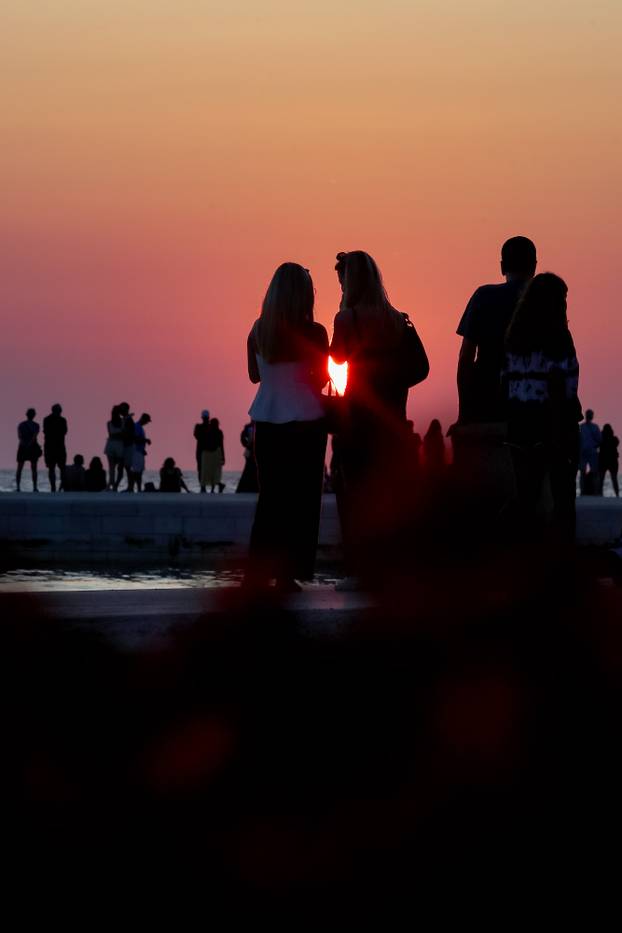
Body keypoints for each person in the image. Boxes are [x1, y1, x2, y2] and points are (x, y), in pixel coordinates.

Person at [330, 251, 429, 589]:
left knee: (354, 495)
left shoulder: (346, 320)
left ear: (351, 282)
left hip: (358, 420)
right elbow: (422, 368)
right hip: (393, 420)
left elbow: (338, 358)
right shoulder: (398, 319)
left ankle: (358, 571)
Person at [245, 262, 329, 592]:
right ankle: (288, 574)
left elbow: (254, 375)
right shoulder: (315, 332)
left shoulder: (258, 329)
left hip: (266, 418)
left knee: (270, 500)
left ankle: (256, 572)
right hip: (306, 420)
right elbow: (320, 378)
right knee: (302, 501)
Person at [503, 273, 581, 541]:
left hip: (520, 427)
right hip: (553, 425)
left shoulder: (514, 338)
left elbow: (506, 383)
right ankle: (561, 561)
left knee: (527, 498)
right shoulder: (558, 337)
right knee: (562, 500)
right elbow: (558, 384)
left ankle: (524, 562)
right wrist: (562, 432)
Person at [457, 237, 537, 424]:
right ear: (534, 267)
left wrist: (464, 414)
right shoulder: (547, 301)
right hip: (533, 404)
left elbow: (465, 358)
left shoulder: (484, 296)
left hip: (488, 400)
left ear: (502, 267)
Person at [42, 404, 68, 493]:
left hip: (51, 446)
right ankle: (58, 487)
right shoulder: (62, 420)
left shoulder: (47, 419)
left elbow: (45, 431)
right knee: (59, 468)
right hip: (58, 446)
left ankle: (55, 487)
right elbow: (65, 432)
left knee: (53, 468)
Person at [16, 408, 41, 492]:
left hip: (22, 447)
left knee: (19, 468)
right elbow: (34, 436)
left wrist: (24, 443)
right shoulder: (36, 425)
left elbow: (19, 436)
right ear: (34, 415)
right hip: (32, 447)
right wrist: (30, 444)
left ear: (26, 414)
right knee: (34, 468)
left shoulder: (21, 424)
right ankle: (34, 487)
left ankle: (18, 487)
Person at [200, 418, 226, 493]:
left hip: (214, 453)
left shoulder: (216, 432)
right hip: (209, 453)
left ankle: (211, 489)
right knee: (208, 472)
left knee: (212, 472)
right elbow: (221, 445)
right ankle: (209, 488)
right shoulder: (208, 431)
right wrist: (223, 457)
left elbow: (221, 444)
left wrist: (223, 457)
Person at [579, 409, 601, 495]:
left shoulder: (581, 427)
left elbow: (578, 440)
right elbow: (599, 440)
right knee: (595, 473)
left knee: (582, 473)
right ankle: (595, 491)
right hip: (592, 451)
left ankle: (582, 491)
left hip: (583, 452)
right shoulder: (595, 427)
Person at [129, 413, 151, 492]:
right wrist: (146, 440)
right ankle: (134, 488)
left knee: (139, 471)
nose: (147, 423)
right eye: (147, 421)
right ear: (143, 419)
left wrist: (143, 449)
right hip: (136, 452)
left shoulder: (140, 427)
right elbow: (135, 439)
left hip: (140, 451)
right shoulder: (137, 427)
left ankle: (137, 488)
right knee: (136, 472)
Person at [104, 405, 125, 490]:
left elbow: (111, 435)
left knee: (111, 467)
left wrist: (115, 435)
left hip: (110, 444)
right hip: (119, 445)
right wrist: (118, 434)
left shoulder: (109, 423)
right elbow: (122, 434)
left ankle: (110, 484)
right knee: (117, 467)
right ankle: (112, 484)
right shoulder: (122, 422)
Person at [236, 421, 259, 493]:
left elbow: (242, 438)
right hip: (250, 452)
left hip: (254, 452)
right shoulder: (248, 427)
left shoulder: (251, 427)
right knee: (250, 469)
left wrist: (246, 444)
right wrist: (247, 444)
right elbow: (242, 437)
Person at [119, 402, 136, 490]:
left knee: (128, 467)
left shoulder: (128, 420)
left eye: (122, 408)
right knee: (126, 467)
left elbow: (131, 433)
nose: (120, 410)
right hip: (125, 446)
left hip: (128, 446)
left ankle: (131, 486)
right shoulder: (125, 419)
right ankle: (130, 486)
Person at [599, 424, 619, 496]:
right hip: (612, 462)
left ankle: (600, 494)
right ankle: (617, 494)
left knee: (601, 480)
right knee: (614, 479)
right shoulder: (614, 439)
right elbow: (617, 443)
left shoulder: (601, 440)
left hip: (603, 461)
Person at [193, 410, 211, 491]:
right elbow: (196, 436)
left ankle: (204, 486)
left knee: (206, 469)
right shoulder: (199, 427)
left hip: (208, 451)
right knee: (201, 469)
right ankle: (202, 486)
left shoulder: (210, 427)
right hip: (202, 451)